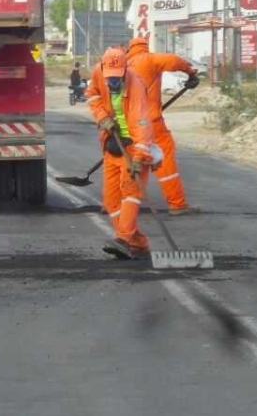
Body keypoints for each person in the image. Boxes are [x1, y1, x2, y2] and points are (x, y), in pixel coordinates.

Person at [86, 46, 156, 259]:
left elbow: (142, 125)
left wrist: (139, 159)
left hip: (134, 147)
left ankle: (123, 239)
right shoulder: (98, 72)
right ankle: (137, 243)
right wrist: (103, 117)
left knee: (130, 192)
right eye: (110, 78)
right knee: (111, 200)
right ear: (102, 68)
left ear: (126, 69)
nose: (113, 82)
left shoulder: (136, 86)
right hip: (113, 144)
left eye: (117, 78)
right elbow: (92, 95)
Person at [124, 35, 201, 216]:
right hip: (150, 122)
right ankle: (177, 203)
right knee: (164, 158)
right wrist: (190, 72)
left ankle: (120, 204)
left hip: (128, 123)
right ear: (145, 47)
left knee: (130, 161)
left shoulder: (125, 65)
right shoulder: (148, 59)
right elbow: (173, 61)